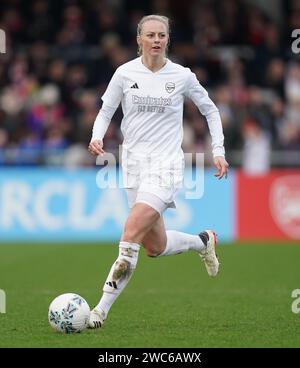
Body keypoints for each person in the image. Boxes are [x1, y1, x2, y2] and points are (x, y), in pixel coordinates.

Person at [87, 14, 229, 329]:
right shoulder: (125, 73)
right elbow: (106, 110)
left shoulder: (181, 75)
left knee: (130, 233)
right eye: (150, 35)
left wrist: (217, 150)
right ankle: (202, 241)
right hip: (133, 167)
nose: (156, 40)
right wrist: (97, 135)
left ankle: (99, 311)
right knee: (155, 247)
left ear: (167, 39)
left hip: (166, 167)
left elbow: (211, 110)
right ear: (139, 39)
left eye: (161, 35)